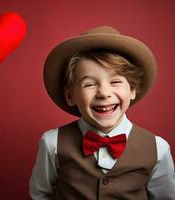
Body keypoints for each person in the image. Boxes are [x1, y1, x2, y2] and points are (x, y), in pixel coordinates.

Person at [29, 26, 175, 200]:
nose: (104, 93)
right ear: (70, 96)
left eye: (115, 81)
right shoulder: (52, 143)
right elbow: (40, 195)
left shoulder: (158, 148)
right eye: (89, 84)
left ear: (132, 90)